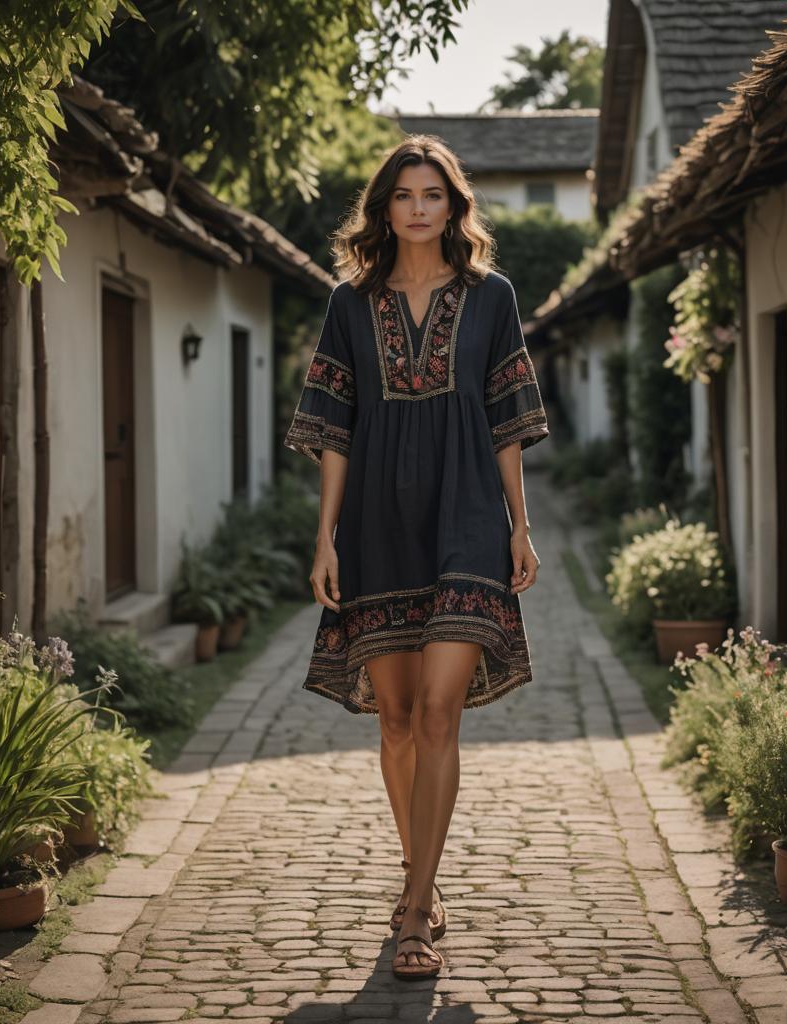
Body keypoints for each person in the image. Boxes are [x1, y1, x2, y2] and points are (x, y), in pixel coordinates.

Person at [283, 134, 548, 980]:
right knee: (395, 720)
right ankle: (421, 879)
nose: (420, 207)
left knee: (439, 714)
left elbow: (508, 416)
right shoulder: (348, 304)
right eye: (405, 194)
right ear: (385, 208)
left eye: (434, 193)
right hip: (377, 524)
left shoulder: (493, 295)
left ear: (454, 205)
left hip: (468, 511)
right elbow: (333, 427)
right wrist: (325, 536)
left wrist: (520, 523)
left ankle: (414, 908)